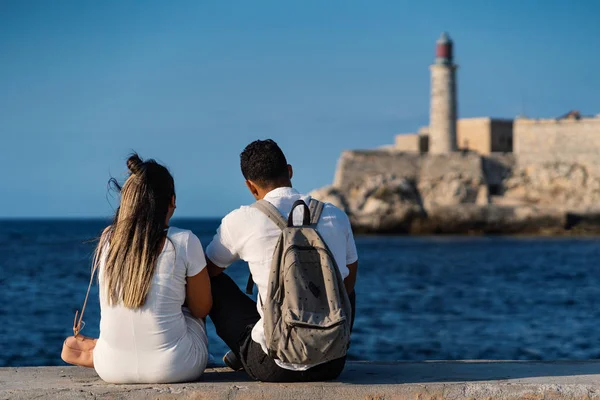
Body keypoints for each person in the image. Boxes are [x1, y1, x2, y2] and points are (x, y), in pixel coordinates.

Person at [205, 139, 358, 382]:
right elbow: (348, 283)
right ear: (289, 171)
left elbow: (208, 271)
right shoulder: (335, 215)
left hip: (275, 366)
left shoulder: (241, 220)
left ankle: (240, 351)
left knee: (212, 282)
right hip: (332, 361)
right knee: (342, 283)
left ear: (250, 186)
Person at [92, 154, 212, 383]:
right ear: (172, 200)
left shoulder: (108, 239)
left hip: (109, 368)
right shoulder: (185, 241)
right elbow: (201, 309)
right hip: (175, 367)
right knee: (190, 307)